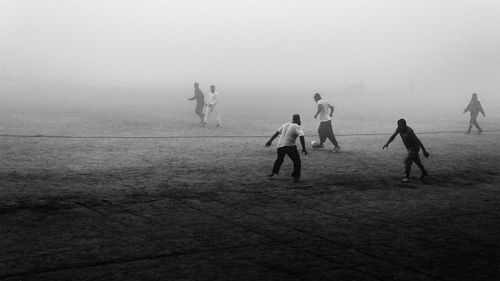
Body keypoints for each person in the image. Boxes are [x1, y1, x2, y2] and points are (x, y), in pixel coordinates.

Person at [383, 118, 429, 182]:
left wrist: (424, 150)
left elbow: (418, 141)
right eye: (398, 125)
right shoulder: (399, 128)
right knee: (416, 161)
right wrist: (387, 143)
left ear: (404, 125)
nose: (398, 127)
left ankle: (406, 177)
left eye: (400, 125)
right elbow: (393, 136)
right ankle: (424, 172)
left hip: (414, 148)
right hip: (409, 148)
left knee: (407, 160)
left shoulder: (409, 131)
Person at [265, 114, 308, 183]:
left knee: (279, 159)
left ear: (292, 119)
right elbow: (301, 137)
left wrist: (270, 141)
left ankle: (273, 173)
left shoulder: (285, 124)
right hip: (289, 146)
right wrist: (303, 148)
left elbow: (277, 133)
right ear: (298, 120)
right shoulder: (297, 126)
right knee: (297, 161)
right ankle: (296, 177)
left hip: (280, 145)